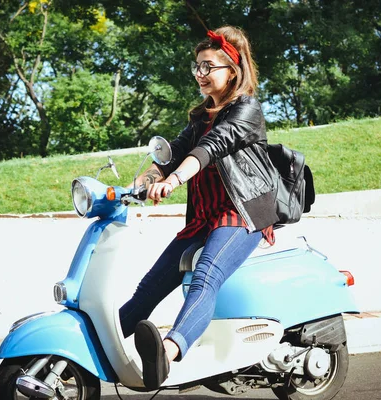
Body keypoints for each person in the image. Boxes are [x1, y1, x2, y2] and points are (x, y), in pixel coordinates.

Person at [119, 26, 280, 390]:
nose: (200, 75)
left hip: (241, 214)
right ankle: (96, 343)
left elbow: (209, 149)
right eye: (197, 67)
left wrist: (173, 180)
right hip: (204, 219)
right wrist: (141, 181)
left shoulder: (247, 110)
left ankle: (170, 350)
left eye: (209, 67)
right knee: (149, 287)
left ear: (232, 71)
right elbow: (173, 153)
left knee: (205, 275)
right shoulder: (200, 115)